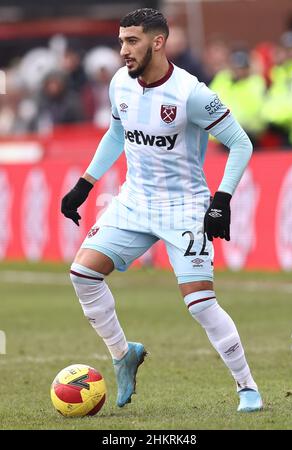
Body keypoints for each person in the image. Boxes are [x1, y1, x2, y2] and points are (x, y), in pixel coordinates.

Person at [61, 8, 263, 412]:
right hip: (134, 201)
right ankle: (124, 355)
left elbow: (241, 143)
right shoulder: (121, 83)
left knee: (201, 304)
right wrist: (84, 185)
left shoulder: (192, 93)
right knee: (83, 274)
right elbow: (116, 133)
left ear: (158, 42)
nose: (123, 51)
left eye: (131, 41)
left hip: (184, 207)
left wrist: (221, 200)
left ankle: (247, 388)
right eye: (121, 41)